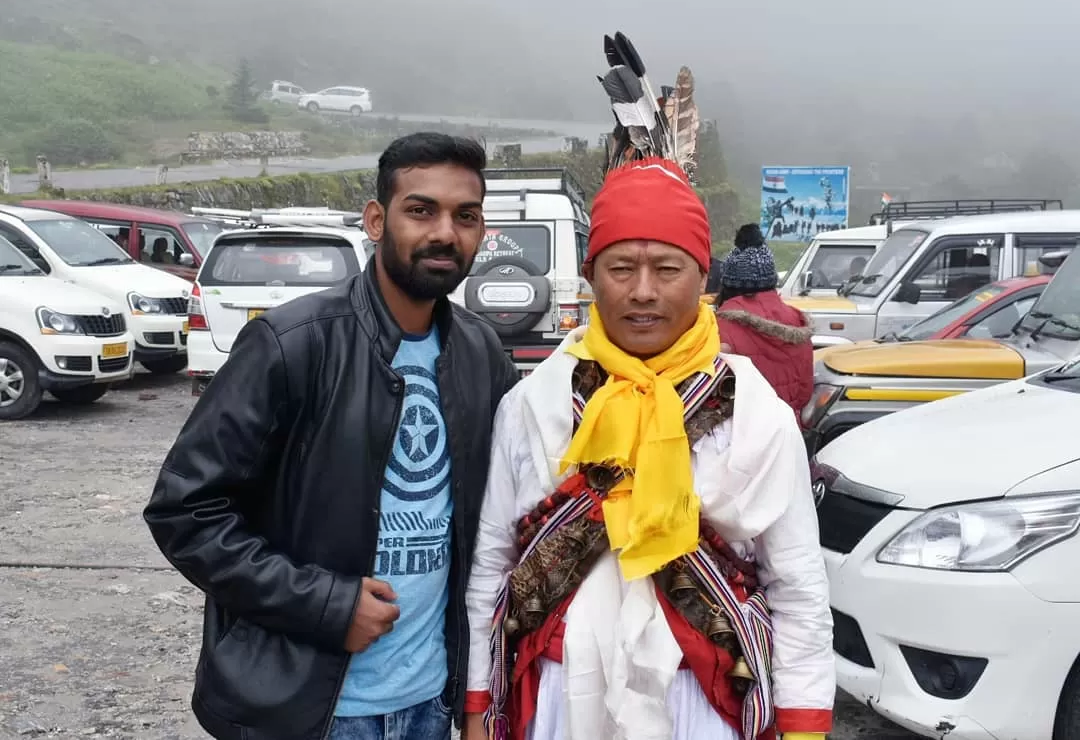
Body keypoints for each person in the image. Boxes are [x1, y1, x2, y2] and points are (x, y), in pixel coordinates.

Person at [143, 132, 520, 740]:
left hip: (431, 703)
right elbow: (185, 511)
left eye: (465, 216)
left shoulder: (482, 355)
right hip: (311, 709)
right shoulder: (294, 344)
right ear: (376, 219)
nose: (445, 233)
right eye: (420, 210)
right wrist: (324, 604)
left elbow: (501, 524)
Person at [461, 158, 834, 740]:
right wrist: (478, 704)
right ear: (591, 274)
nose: (642, 291)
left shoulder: (756, 414)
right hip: (559, 697)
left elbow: (797, 584)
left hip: (702, 703)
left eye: (666, 268)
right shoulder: (537, 403)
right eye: (620, 268)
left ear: (703, 276)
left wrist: (805, 722)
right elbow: (493, 562)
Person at [716, 224, 814, 424]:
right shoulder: (798, 321)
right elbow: (804, 394)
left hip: (740, 438)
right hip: (788, 433)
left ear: (728, 283)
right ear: (771, 280)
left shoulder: (720, 326)